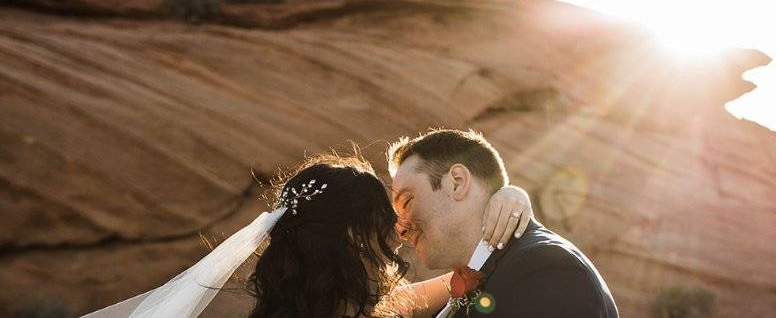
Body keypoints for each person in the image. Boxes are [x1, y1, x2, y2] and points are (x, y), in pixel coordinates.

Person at [81, 151, 532, 317]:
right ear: (348, 239)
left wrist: (508, 197)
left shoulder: (360, 303)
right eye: (377, 232)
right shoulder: (346, 306)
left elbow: (462, 281)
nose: (396, 238)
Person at [388, 129, 619, 317]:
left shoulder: (546, 269)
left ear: (457, 183)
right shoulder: (479, 280)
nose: (401, 229)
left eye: (407, 201)